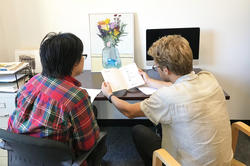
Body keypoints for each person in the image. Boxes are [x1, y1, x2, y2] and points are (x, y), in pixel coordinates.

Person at [101, 35, 233, 166]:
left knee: (139, 130)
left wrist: (109, 95)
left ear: (166, 70)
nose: (156, 69)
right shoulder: (208, 78)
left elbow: (129, 111)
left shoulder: (166, 97)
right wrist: (148, 81)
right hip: (225, 162)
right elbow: (181, 86)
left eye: (156, 67)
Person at [8, 32, 106, 166]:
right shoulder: (76, 97)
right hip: (61, 160)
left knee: (90, 110)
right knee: (98, 142)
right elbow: (87, 145)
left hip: (25, 158)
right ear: (74, 62)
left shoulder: (30, 84)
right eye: (82, 56)